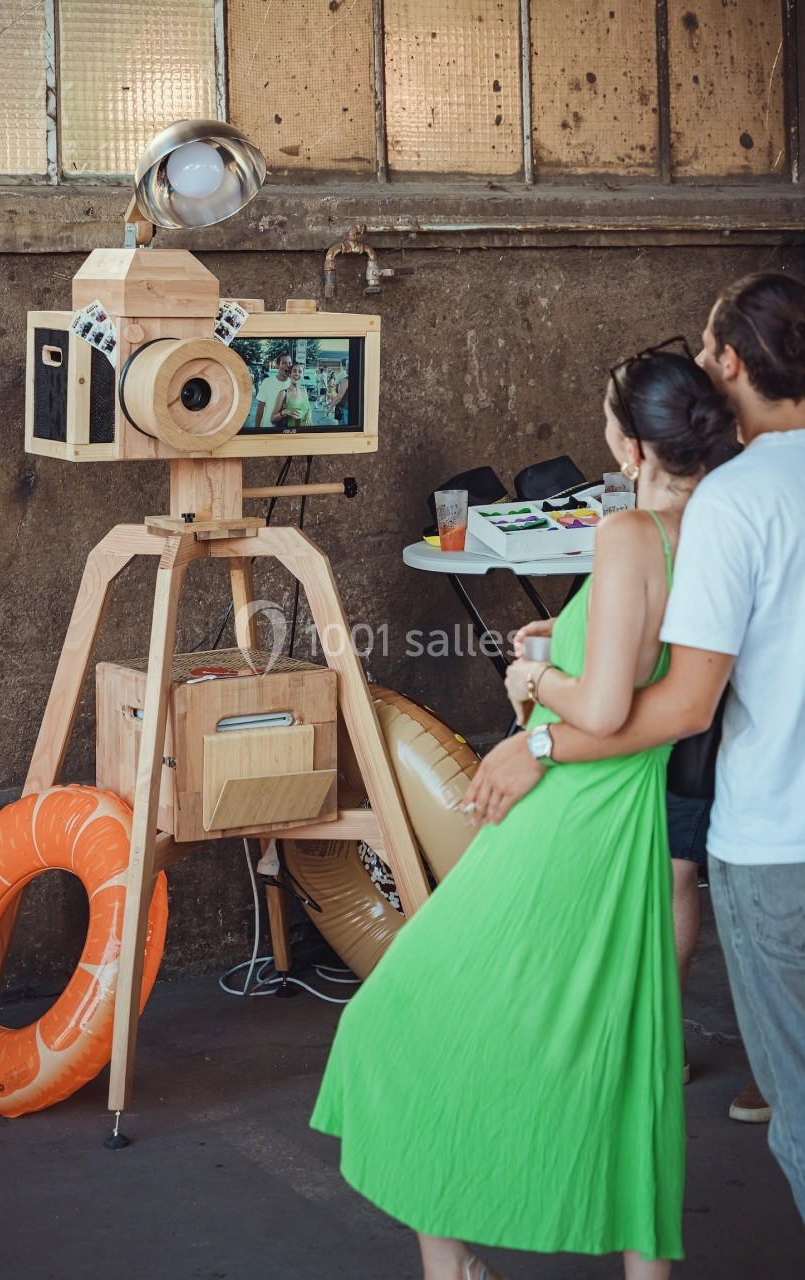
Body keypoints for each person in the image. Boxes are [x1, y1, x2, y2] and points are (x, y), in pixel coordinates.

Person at [312, 346, 735, 1279]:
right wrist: (569, 640)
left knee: (400, 1011)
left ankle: (450, 1264)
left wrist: (536, 675)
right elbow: (651, 670)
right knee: (622, 1048)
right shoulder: (720, 531)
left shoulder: (630, 533)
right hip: (625, 817)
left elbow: (606, 706)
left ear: (628, 446)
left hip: (565, 811)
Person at [472, 272, 805, 1224]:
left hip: (780, 837)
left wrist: (537, 737)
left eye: (707, 351)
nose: (702, 370)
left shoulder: (735, 501)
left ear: (733, 361)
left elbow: (682, 705)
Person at [254, 350, 291, 429]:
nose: (288, 365)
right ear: (277, 365)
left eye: (289, 363)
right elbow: (260, 409)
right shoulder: (267, 382)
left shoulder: (293, 384)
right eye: (284, 363)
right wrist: (256, 429)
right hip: (267, 429)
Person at [271, 362, 312, 429]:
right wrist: (285, 412)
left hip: (305, 434)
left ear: (303, 376)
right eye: (294, 371)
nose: (297, 374)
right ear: (290, 375)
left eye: (300, 372)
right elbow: (272, 419)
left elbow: (309, 409)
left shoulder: (304, 391)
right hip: (290, 435)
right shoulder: (283, 393)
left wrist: (309, 414)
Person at [328, 359, 348, 424]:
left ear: (342, 365)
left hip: (345, 404)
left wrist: (330, 408)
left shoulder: (344, 377)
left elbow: (339, 395)